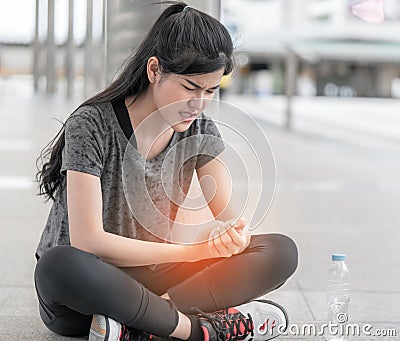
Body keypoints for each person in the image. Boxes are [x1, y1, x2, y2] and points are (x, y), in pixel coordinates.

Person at [34, 2, 298, 341]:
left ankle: (139, 327)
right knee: (58, 266)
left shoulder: (199, 129)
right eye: (190, 88)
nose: (199, 103)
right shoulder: (90, 124)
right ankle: (197, 330)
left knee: (279, 251)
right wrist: (193, 253)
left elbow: (230, 222)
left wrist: (231, 236)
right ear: (154, 70)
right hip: (89, 289)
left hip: (154, 279)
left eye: (211, 91)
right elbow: (89, 241)